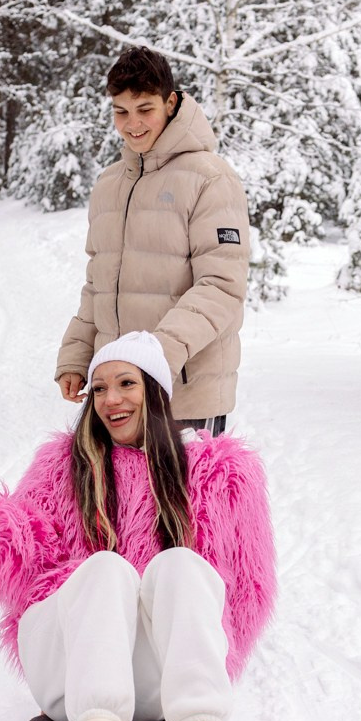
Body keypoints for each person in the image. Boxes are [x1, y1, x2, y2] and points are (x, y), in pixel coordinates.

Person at [0, 331, 275, 721]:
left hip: (160, 683)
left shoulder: (219, 476)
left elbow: (244, 595)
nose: (111, 399)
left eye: (126, 383)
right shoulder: (60, 466)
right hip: (71, 671)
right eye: (99, 389)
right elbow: (25, 552)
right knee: (107, 569)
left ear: (154, 391)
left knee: (181, 565)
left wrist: (198, 657)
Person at [55, 46, 250, 435]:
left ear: (171, 102)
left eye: (145, 109)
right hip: (117, 397)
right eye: (121, 112)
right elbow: (99, 283)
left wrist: (153, 356)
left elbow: (222, 286)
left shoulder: (210, 178)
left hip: (184, 397)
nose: (133, 124)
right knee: (110, 498)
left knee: (179, 498)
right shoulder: (110, 183)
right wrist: (77, 354)